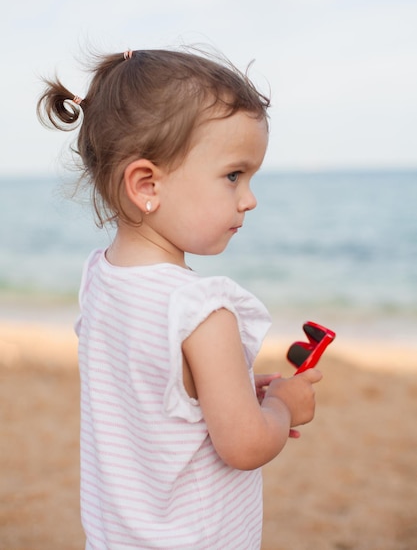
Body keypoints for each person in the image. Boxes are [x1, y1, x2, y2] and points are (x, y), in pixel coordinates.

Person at [37, 47, 322, 550]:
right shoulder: (202, 310)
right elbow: (245, 445)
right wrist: (281, 406)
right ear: (147, 184)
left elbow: (149, 391)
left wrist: (229, 388)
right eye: (234, 175)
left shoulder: (100, 281)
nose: (250, 197)